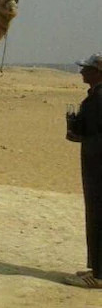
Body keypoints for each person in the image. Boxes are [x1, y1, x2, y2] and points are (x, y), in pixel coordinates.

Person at [66, 53, 102, 288]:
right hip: (95, 162)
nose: (82, 72)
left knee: (98, 215)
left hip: (98, 165)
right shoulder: (95, 96)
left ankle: (99, 277)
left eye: (87, 69)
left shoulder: (98, 98)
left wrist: (75, 127)